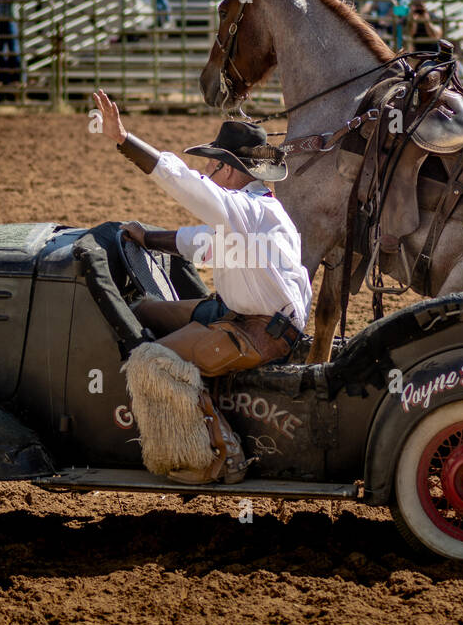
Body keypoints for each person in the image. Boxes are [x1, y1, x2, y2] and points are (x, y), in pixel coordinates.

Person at [92, 89, 313, 484]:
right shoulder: (260, 211)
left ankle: (223, 452)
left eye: (213, 167)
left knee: (151, 360)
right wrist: (148, 238)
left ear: (228, 169)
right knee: (143, 310)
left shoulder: (242, 209)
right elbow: (202, 244)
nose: (209, 173)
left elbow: (183, 182)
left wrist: (124, 140)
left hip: (255, 332)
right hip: (251, 319)